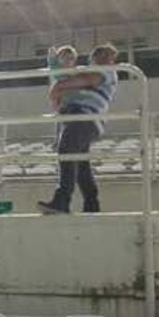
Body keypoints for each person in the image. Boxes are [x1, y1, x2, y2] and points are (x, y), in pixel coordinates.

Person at [38, 43, 120, 215]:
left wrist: (62, 85)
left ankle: (62, 201)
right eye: (100, 54)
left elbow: (88, 80)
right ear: (93, 57)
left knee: (67, 150)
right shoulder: (85, 71)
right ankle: (91, 204)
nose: (104, 59)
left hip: (85, 116)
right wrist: (61, 86)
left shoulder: (106, 71)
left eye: (107, 55)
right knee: (81, 164)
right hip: (75, 116)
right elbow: (60, 88)